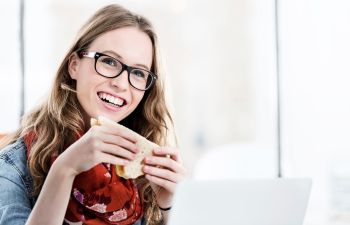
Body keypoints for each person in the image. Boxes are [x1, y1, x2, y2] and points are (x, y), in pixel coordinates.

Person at [0, 4, 186, 225]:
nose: (120, 83)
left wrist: (172, 207)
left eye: (138, 73)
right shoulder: (13, 165)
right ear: (74, 65)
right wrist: (65, 169)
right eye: (108, 61)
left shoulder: (142, 177)